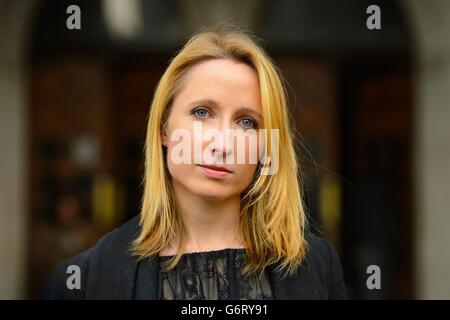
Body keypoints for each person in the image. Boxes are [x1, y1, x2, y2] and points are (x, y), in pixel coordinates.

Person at [52, 24, 346, 300]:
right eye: (202, 113)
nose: (222, 144)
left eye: (247, 122)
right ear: (164, 129)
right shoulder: (86, 277)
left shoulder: (318, 266)